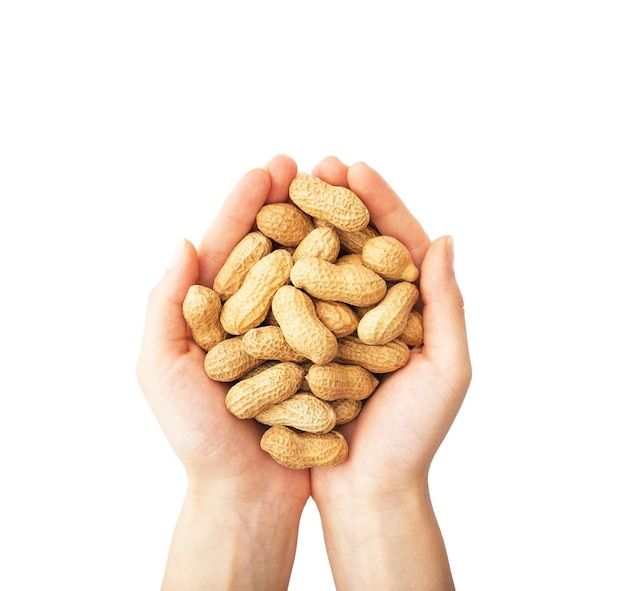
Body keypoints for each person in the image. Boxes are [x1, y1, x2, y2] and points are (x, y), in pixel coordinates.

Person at [136, 154, 472, 590]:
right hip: (300, 371)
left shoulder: (342, 285)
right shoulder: (269, 322)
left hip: (329, 367)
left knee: (319, 355)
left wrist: (381, 495)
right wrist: (377, 502)